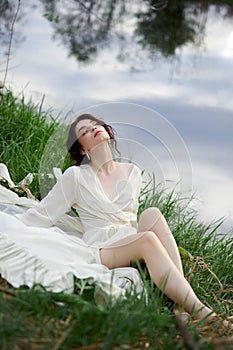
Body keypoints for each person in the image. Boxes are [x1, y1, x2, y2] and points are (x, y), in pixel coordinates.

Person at [0, 113, 230, 326]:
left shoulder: (133, 171)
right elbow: (41, 216)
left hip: (129, 239)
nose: (94, 129)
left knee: (152, 214)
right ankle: (202, 311)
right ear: (82, 149)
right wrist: (13, 224)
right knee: (148, 240)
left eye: (95, 125)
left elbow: (129, 218)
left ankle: (181, 303)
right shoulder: (76, 176)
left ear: (107, 130)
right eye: (85, 132)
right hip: (101, 247)